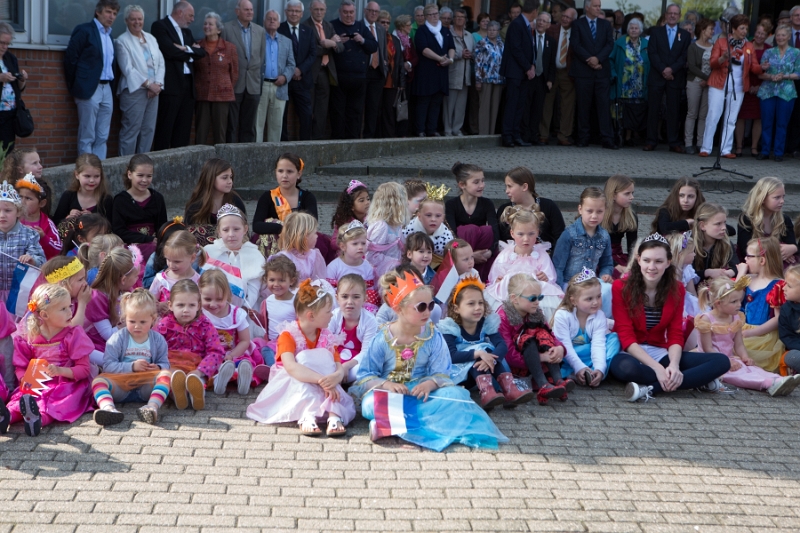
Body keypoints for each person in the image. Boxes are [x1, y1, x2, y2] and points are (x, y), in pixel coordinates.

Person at [351, 270, 508, 450]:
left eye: (431, 305)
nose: (428, 312)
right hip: (393, 394)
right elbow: (365, 376)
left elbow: (442, 372)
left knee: (456, 397)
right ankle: (407, 425)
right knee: (369, 404)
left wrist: (430, 384)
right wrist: (387, 385)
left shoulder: (433, 335)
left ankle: (391, 426)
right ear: (399, 309)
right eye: (420, 307)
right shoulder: (383, 338)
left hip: (422, 394)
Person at [610, 234, 731, 402]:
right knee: (626, 369)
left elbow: (675, 334)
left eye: (658, 261)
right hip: (628, 351)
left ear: (668, 262)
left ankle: (650, 389)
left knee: (721, 362)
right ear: (638, 260)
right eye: (647, 260)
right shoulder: (620, 287)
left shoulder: (677, 289)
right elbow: (625, 335)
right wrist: (658, 369)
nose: (651, 267)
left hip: (659, 350)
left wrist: (673, 365)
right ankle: (694, 380)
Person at [247, 279, 354, 437]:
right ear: (311, 316)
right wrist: (321, 380)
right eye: (328, 311)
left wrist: (334, 378)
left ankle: (334, 414)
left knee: (325, 357)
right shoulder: (289, 335)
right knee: (303, 357)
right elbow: (291, 367)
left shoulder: (326, 336)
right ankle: (307, 414)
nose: (332, 314)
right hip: (294, 380)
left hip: (323, 381)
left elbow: (337, 365)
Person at [5, 284, 95, 437]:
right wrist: (25, 380)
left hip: (66, 383)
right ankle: (7, 417)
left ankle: (38, 419)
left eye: (70, 306)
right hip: (37, 382)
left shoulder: (73, 334)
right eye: (63, 309)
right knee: (23, 397)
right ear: (45, 315)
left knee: (56, 400)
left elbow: (84, 369)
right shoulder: (30, 337)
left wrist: (60, 371)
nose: (70, 311)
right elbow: (20, 366)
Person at [440, 276, 533, 409]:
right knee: (483, 350)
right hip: (460, 376)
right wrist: (478, 354)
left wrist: (489, 359)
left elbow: (502, 345)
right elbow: (451, 355)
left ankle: (508, 390)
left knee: (489, 350)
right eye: (471, 304)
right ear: (456, 309)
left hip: (485, 371)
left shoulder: (486, 323)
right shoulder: (451, 327)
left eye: (481, 303)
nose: (478, 307)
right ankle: (487, 392)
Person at [696, 277, 800, 396]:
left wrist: (745, 357)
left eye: (740, 301)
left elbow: (738, 343)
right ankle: (768, 384)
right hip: (712, 361)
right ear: (718, 303)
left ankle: (777, 379)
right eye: (734, 302)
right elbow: (707, 348)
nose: (739, 305)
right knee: (740, 376)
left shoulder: (735, 318)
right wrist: (725, 361)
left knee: (752, 369)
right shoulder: (706, 319)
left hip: (730, 358)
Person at [92, 289, 172, 426]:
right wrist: (132, 366)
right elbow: (108, 365)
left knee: (165, 375)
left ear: (153, 319)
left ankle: (151, 407)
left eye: (142, 322)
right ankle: (108, 409)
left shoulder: (158, 340)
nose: (137, 326)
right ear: (124, 319)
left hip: (145, 386)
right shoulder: (117, 338)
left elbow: (165, 363)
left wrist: (158, 367)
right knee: (98, 381)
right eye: (132, 321)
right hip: (121, 386)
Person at [156, 279, 226, 411]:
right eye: (180, 305)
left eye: (191, 305)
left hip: (197, 367)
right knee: (170, 378)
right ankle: (178, 395)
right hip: (173, 367)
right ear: (170, 305)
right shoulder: (164, 325)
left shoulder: (205, 325)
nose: (186, 310)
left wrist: (200, 371)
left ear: (199, 306)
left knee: (196, 379)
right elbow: (156, 349)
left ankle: (197, 393)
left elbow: (216, 351)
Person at [699, 14, 763, 159]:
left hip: (738, 87)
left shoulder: (749, 45)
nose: (744, 31)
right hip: (718, 84)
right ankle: (706, 148)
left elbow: (754, 67)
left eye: (746, 28)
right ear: (733, 29)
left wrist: (762, 68)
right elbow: (712, 63)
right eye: (741, 28)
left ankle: (725, 149)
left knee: (731, 119)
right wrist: (723, 58)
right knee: (713, 116)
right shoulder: (721, 42)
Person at [63, 0, 119, 159]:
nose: (112, 16)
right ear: (98, 12)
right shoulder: (85, 30)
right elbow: (70, 60)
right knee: (87, 133)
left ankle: (99, 171)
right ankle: (85, 170)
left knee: (102, 134)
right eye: (108, 12)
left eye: (114, 14)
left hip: (106, 87)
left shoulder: (110, 35)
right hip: (89, 88)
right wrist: (76, 85)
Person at [199, 269, 266, 396]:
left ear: (227, 295)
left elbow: (245, 341)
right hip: (208, 354)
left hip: (233, 353)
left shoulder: (236, 314)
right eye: (207, 299)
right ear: (200, 294)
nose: (213, 304)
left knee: (244, 362)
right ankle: (219, 380)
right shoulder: (199, 314)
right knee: (206, 366)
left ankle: (241, 377)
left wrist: (231, 355)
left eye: (219, 299)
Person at [151, 1, 207, 151]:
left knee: (183, 130)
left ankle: (180, 166)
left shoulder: (187, 32)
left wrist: (185, 48)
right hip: (171, 86)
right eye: (190, 15)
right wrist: (190, 53)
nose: (193, 19)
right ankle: (161, 164)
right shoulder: (160, 26)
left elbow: (202, 52)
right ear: (180, 13)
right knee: (165, 128)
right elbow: (169, 51)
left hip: (188, 87)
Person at [552, 268, 620, 386]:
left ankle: (593, 373)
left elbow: (598, 344)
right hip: (568, 355)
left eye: (598, 297)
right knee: (559, 349)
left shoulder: (599, 316)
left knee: (614, 339)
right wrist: (579, 366)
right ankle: (576, 371)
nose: (595, 302)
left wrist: (599, 368)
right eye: (589, 299)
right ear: (573, 301)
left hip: (588, 353)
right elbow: (565, 345)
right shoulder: (562, 315)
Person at [114, 6, 165, 156]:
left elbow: (161, 63)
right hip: (134, 91)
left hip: (154, 91)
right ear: (126, 21)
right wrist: (149, 85)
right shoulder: (122, 41)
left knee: (148, 130)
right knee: (131, 130)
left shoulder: (151, 38)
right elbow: (128, 69)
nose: (137, 22)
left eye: (140, 19)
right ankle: (125, 167)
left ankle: (142, 167)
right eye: (133, 19)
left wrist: (158, 85)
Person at [643, 3, 690, 153]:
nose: (672, 16)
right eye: (670, 13)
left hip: (675, 77)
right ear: (665, 15)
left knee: (674, 111)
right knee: (653, 110)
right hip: (657, 76)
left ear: (679, 16)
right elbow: (652, 53)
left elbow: (684, 57)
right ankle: (651, 141)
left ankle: (673, 142)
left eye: (675, 14)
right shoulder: (656, 32)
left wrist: (672, 69)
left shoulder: (685, 35)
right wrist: (663, 69)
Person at [570, 0, 617, 149]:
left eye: (599, 6)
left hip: (601, 71)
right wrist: (589, 60)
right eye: (596, 6)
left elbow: (610, 44)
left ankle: (607, 138)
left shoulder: (605, 25)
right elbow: (575, 45)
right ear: (587, 8)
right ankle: (583, 138)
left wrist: (598, 58)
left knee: (603, 106)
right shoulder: (578, 24)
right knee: (583, 106)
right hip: (583, 72)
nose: (598, 9)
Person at [202, 204, 264, 317]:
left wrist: (243, 309)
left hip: (244, 310)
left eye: (236, 229)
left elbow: (254, 288)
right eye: (226, 230)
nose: (231, 234)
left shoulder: (254, 254)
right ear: (219, 232)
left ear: (245, 229)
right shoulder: (208, 252)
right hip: (212, 308)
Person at [330, 0, 378, 140]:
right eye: (345, 12)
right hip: (339, 78)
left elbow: (373, 46)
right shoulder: (332, 26)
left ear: (355, 13)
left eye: (351, 12)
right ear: (340, 12)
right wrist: (335, 41)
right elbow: (323, 44)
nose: (348, 15)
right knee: (337, 113)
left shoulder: (361, 27)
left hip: (359, 79)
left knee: (355, 113)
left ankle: (353, 142)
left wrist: (362, 40)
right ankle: (337, 142)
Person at [738, 237, 786, 373]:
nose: (745, 260)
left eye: (748, 256)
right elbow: (733, 298)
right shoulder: (748, 279)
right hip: (741, 328)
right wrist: (741, 275)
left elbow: (778, 318)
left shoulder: (778, 285)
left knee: (746, 355)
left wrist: (753, 332)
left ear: (762, 260)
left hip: (763, 335)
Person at [221, 0, 266, 144]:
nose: (250, 12)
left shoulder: (260, 30)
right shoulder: (226, 29)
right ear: (237, 11)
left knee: (249, 125)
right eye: (246, 9)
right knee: (232, 124)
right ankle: (230, 154)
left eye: (251, 10)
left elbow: (261, 56)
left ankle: (248, 154)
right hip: (234, 83)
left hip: (253, 84)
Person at [757, 26, 800, 162]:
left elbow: (798, 74)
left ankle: (778, 153)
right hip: (768, 91)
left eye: (783, 35)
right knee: (767, 122)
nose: (780, 38)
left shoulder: (796, 52)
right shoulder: (768, 52)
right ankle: (764, 151)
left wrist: (784, 76)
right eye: (778, 35)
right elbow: (760, 73)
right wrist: (771, 77)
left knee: (782, 123)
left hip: (786, 92)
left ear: (788, 37)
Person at [194, 12, 238, 146]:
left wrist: (225, 86)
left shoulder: (229, 48)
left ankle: (220, 163)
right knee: (201, 132)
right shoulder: (197, 46)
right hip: (203, 95)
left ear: (218, 29)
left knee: (220, 133)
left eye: (210, 24)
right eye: (205, 24)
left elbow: (234, 73)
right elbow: (194, 71)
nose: (207, 26)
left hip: (222, 96)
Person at [499, 0, 539, 147]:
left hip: (522, 72)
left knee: (519, 105)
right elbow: (516, 49)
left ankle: (516, 135)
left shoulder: (526, 25)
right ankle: (507, 136)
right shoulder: (517, 24)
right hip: (515, 72)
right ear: (534, 11)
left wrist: (531, 66)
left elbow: (529, 48)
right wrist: (528, 67)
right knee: (512, 104)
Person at [497, 166, 565, 251]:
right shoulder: (505, 210)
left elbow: (560, 237)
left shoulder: (549, 206)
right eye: (506, 186)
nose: (506, 191)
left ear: (524, 187)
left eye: (510, 186)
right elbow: (500, 240)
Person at [413, 4, 455, 137]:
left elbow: (451, 47)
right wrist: (440, 59)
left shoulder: (445, 30)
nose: (435, 17)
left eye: (436, 14)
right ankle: (420, 129)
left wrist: (451, 59)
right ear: (425, 16)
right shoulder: (422, 31)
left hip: (441, 72)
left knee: (437, 101)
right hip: (426, 72)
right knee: (424, 101)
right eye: (431, 14)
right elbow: (424, 50)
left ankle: (432, 129)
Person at [0, 181, 46, 300]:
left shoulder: (29, 235)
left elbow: (42, 261)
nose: (2, 215)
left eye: (7, 210)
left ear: (18, 212)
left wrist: (32, 260)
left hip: (19, 294)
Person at [328, 274, 378, 383]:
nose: (350, 302)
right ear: (337, 298)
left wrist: (346, 366)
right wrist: (338, 365)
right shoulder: (333, 316)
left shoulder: (370, 321)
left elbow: (366, 352)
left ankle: (339, 381)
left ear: (365, 298)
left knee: (364, 370)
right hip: (334, 360)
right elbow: (326, 344)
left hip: (354, 364)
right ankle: (336, 379)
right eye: (345, 296)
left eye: (356, 297)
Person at [305, 0, 344, 140]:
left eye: (322, 9)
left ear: (326, 10)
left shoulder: (329, 26)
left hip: (326, 73)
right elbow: (311, 51)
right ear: (310, 10)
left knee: (322, 110)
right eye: (316, 9)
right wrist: (330, 45)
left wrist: (332, 43)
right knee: (309, 109)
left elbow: (340, 48)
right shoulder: (305, 26)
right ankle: (307, 139)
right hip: (311, 73)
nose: (319, 12)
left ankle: (318, 140)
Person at [256, 10, 295, 143]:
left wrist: (285, 77)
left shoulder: (286, 42)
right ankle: (256, 153)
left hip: (280, 87)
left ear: (279, 23)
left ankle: (272, 155)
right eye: (269, 19)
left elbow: (291, 64)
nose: (272, 21)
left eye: (275, 19)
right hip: (261, 86)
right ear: (264, 22)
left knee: (276, 125)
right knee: (257, 124)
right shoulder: (258, 38)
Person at [737, 177, 797, 263]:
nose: (782, 201)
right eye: (777, 197)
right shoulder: (746, 219)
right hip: (756, 263)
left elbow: (792, 243)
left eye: (783, 197)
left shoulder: (784, 219)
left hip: (780, 263)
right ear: (762, 198)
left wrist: (793, 248)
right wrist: (777, 251)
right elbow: (745, 249)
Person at [279, 0, 315, 141]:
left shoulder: (309, 31)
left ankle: (305, 144)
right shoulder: (279, 29)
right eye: (291, 10)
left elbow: (313, 54)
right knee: (281, 114)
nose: (294, 13)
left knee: (306, 115)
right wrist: (290, 72)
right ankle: (283, 144)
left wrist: (300, 70)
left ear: (302, 14)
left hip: (303, 80)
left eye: (297, 11)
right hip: (284, 81)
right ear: (286, 12)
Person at [540, 8, 577, 145]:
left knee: (567, 105)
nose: (565, 19)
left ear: (573, 20)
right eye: (564, 16)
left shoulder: (576, 32)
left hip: (568, 72)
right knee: (546, 103)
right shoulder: (552, 29)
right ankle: (543, 134)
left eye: (568, 17)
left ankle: (564, 136)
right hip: (552, 70)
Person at [609, 18, 648, 146]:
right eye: (632, 28)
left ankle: (629, 136)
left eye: (636, 28)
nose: (634, 30)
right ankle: (620, 135)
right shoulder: (620, 43)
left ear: (640, 30)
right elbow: (610, 60)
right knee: (621, 111)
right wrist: (613, 74)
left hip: (639, 85)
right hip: (623, 84)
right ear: (628, 29)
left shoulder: (646, 44)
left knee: (634, 111)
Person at [733, 23, 770, 158]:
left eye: (763, 34)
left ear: (767, 36)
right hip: (744, 85)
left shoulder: (769, 49)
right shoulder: (745, 46)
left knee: (758, 118)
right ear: (754, 33)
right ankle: (738, 147)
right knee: (741, 116)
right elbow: (740, 67)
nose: (760, 36)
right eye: (758, 33)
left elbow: (770, 70)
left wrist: (759, 86)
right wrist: (748, 86)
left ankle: (754, 147)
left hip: (762, 86)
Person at [522, 12, 556, 145]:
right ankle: (524, 135)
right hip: (530, 77)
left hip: (542, 79)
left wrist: (550, 80)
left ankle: (533, 135)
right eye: (539, 20)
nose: (541, 23)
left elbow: (552, 63)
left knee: (538, 109)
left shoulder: (551, 41)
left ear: (548, 25)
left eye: (544, 21)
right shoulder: (529, 37)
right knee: (526, 107)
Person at [443, 8, 474, 137]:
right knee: (449, 105)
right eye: (457, 17)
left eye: (462, 17)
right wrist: (459, 54)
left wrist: (471, 55)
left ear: (466, 20)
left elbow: (474, 52)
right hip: (453, 74)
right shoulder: (447, 33)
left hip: (465, 76)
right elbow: (444, 52)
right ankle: (447, 129)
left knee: (461, 106)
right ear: (453, 19)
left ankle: (457, 129)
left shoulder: (469, 35)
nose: (460, 19)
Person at [366, 182, 408, 278]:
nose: (406, 203)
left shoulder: (397, 225)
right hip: (382, 273)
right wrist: (394, 263)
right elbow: (371, 256)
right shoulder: (381, 226)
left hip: (394, 271)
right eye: (403, 200)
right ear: (394, 204)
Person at [684, 19, 714, 154]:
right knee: (692, 113)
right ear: (703, 31)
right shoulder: (692, 47)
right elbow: (691, 66)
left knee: (704, 115)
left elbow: (716, 66)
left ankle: (700, 143)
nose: (713, 32)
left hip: (709, 85)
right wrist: (706, 78)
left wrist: (708, 81)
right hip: (694, 82)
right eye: (710, 29)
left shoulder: (714, 47)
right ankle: (688, 143)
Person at [16, 174, 61, 259]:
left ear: (42, 203)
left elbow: (58, 249)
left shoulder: (47, 224)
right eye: (20, 196)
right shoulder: (12, 219)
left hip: (40, 268)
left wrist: (43, 237)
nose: (22, 201)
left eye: (28, 198)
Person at [362, 1, 388, 140]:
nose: (373, 14)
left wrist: (385, 65)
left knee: (373, 108)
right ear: (365, 11)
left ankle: (369, 138)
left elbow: (383, 50)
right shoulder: (359, 26)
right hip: (363, 72)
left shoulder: (380, 29)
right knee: (359, 107)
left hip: (378, 73)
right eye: (371, 11)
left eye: (376, 12)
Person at [0, 22, 28, 153]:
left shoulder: (10, 58)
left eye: (7, 43)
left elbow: (19, 87)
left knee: (8, 151)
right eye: (1, 43)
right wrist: (1, 78)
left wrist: (22, 79)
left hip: (10, 112)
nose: (4, 47)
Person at [378, 10, 406, 138]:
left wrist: (401, 83)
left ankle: (389, 138)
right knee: (376, 110)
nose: (385, 25)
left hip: (391, 81)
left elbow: (400, 62)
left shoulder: (394, 39)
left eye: (387, 23)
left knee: (389, 111)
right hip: (377, 79)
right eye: (382, 22)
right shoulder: (374, 36)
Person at [474, 21, 504, 136]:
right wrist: (478, 80)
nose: (491, 31)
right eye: (490, 29)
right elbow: (478, 63)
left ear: (498, 31)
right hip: (485, 78)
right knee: (484, 107)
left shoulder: (501, 44)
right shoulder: (481, 43)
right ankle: (483, 134)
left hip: (498, 79)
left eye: (494, 30)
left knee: (495, 107)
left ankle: (491, 134)